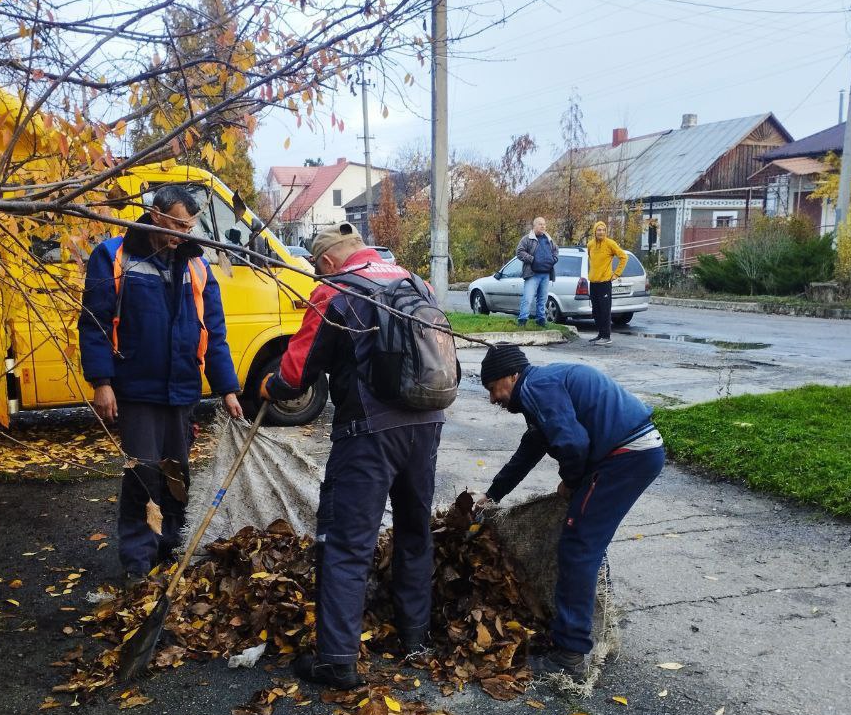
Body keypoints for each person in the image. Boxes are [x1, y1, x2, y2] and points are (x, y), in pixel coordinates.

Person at [261, 222, 444, 690]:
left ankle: (337, 660)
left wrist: (273, 386)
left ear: (325, 261)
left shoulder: (335, 290)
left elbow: (297, 372)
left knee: (346, 543)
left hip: (368, 432)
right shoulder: (413, 281)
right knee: (414, 530)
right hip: (426, 423)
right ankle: (414, 637)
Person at [79, 185, 243, 583]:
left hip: (181, 388)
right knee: (144, 472)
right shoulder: (114, 255)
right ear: (155, 216)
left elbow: (214, 333)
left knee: (176, 473)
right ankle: (138, 560)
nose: (183, 232)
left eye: (189, 225)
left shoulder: (196, 266)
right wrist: (102, 382)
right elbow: (94, 322)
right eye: (176, 224)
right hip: (136, 387)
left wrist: (228, 389)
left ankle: (169, 550)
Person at [472, 344, 664, 678]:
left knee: (577, 548)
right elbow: (529, 451)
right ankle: (596, 627)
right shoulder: (540, 387)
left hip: (624, 456)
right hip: (635, 452)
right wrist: (492, 494)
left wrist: (572, 482)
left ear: (511, 375)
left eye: (493, 389)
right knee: (588, 540)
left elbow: (572, 444)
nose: (493, 399)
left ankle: (570, 655)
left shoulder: (537, 388)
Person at [586, 221, 627, 345]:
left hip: (605, 283)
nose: (601, 232)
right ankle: (600, 334)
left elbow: (624, 257)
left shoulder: (610, 244)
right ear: (595, 231)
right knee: (596, 310)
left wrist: (616, 274)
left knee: (605, 310)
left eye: (603, 230)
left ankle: (607, 337)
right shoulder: (590, 245)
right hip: (593, 282)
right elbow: (591, 259)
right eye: (599, 230)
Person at [515, 217, 559, 328]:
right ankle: (522, 320)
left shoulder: (549, 239)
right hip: (532, 274)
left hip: (545, 274)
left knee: (542, 299)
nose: (543, 226)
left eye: (544, 224)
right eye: (540, 224)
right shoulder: (527, 239)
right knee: (528, 298)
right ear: (534, 226)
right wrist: (532, 259)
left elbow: (556, 251)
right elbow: (519, 252)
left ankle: (541, 320)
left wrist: (553, 260)